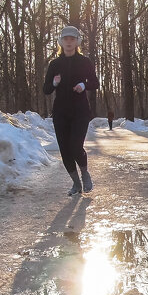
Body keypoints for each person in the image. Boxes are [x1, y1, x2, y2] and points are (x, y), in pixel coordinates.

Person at [43, 25, 99, 196]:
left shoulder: (84, 62)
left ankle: (85, 174)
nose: (68, 42)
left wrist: (84, 85)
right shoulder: (55, 64)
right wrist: (54, 83)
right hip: (60, 113)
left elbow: (95, 83)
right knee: (65, 149)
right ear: (61, 42)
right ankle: (76, 184)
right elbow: (46, 90)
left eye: (72, 39)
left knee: (75, 146)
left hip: (80, 111)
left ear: (77, 42)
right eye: (65, 39)